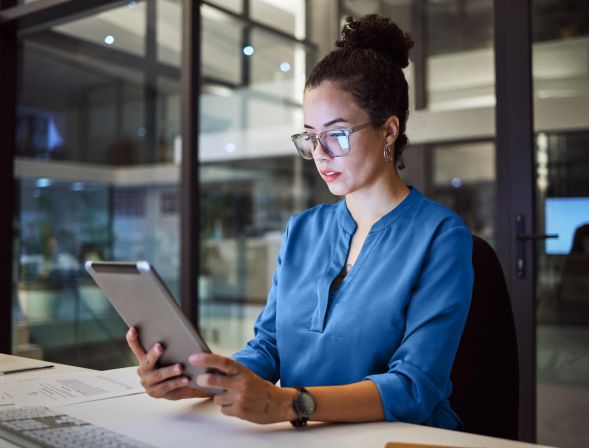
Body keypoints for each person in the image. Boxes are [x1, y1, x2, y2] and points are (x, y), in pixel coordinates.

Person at [126, 15, 474, 429]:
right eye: (311, 136)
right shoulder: (303, 230)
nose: (321, 153)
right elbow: (270, 348)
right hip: (304, 436)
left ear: (388, 131)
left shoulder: (440, 236)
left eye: (338, 133)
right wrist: (195, 380)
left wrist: (290, 404)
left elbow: (415, 385)